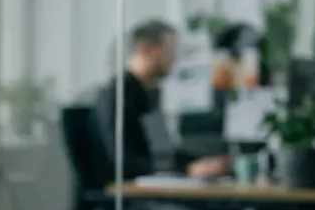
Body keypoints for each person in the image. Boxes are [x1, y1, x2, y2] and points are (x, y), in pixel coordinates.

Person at [92, 19, 231, 182]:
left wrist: (200, 162)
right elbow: (123, 164)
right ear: (145, 51)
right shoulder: (118, 96)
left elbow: (161, 153)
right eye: (169, 50)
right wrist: (186, 170)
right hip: (132, 196)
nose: (174, 59)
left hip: (155, 184)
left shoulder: (148, 93)